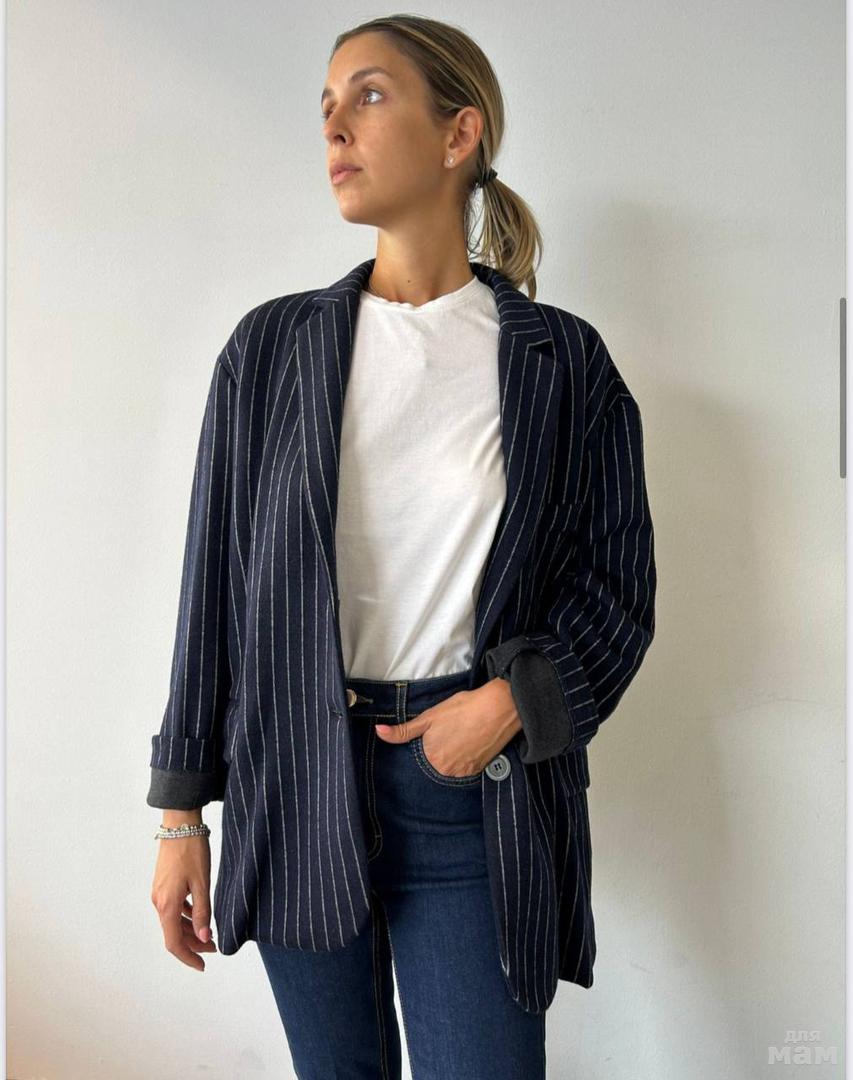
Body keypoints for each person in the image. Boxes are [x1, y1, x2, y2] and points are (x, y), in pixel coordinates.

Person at [148, 14, 657, 1080]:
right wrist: (178, 815)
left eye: (368, 95)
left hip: (473, 792)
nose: (334, 125)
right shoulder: (270, 350)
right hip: (295, 775)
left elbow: (617, 588)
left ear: (457, 133)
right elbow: (213, 590)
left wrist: (507, 704)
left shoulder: (561, 363)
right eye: (326, 106)